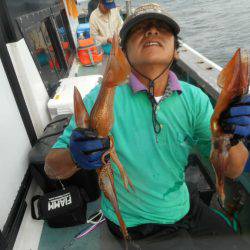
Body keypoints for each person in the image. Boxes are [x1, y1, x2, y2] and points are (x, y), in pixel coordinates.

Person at [45, 3, 250, 249]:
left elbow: (234, 171)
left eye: (161, 29)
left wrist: (232, 138)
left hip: (184, 206)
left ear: (176, 50)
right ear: (124, 52)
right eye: (139, 29)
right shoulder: (100, 98)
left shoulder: (195, 99)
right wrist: (75, 156)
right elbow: (51, 167)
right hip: (137, 225)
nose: (151, 32)